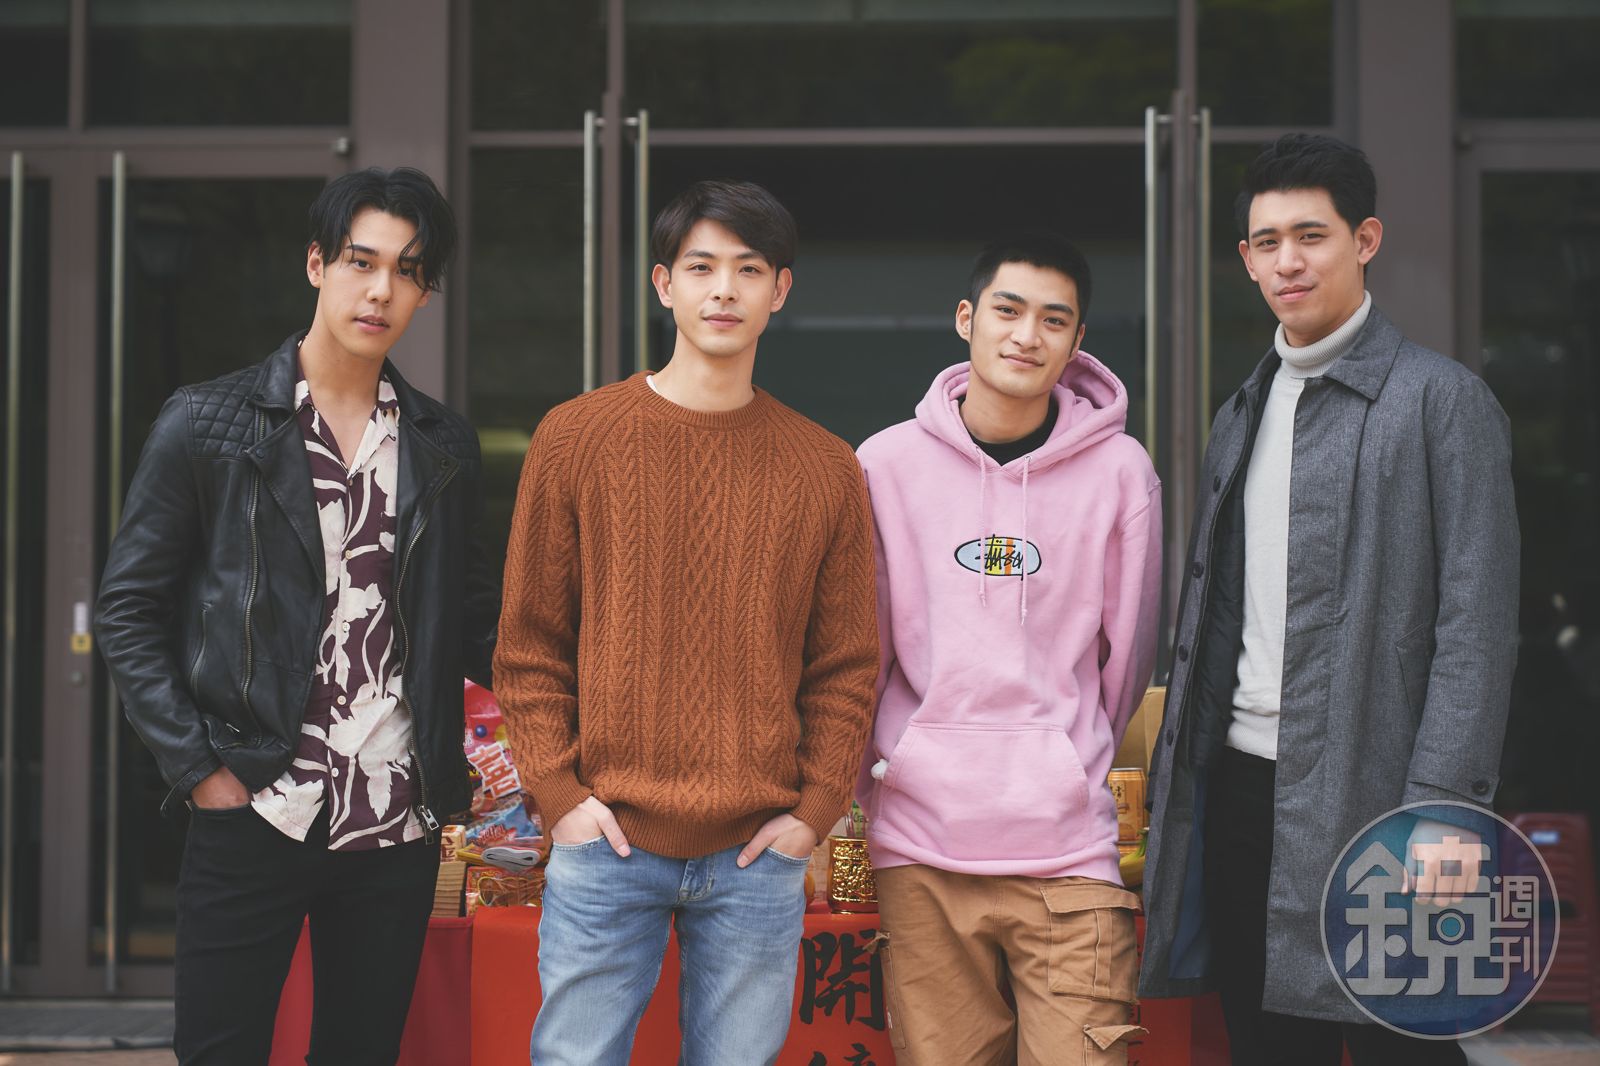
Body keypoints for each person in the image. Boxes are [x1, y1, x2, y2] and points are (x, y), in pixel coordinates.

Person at [94, 167, 499, 1066]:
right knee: (220, 1051)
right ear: (317, 264)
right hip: (252, 804)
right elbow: (128, 609)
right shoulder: (208, 424)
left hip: (392, 819)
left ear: (426, 293)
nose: (381, 289)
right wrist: (199, 768)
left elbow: (473, 619)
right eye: (361, 261)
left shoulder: (442, 445)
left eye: (407, 271)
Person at [1137, 133, 1519, 1063]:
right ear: (1245, 259)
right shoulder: (1241, 412)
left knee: (1406, 1045)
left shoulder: (1442, 402)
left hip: (1383, 793)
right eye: (1267, 242)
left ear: (1366, 240)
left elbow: (1477, 625)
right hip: (1241, 790)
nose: (1288, 262)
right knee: (1268, 1047)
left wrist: (1444, 807)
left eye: (1311, 236)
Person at [494, 179, 878, 1066]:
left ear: (780, 290)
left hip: (758, 852)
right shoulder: (575, 438)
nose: (724, 290)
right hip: (607, 840)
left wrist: (815, 812)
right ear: (663, 284)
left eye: (749, 269)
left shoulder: (826, 468)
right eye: (701, 267)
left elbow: (846, 663)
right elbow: (530, 644)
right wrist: (560, 796)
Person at [855, 234, 1162, 1064]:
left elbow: (1127, 659)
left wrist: (1060, 759)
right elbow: (863, 652)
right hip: (920, 849)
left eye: (1053, 320)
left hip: (1069, 853)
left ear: (1077, 340)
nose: (1028, 335)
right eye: (1008, 310)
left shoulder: (1121, 473)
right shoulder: (884, 465)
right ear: (967, 317)